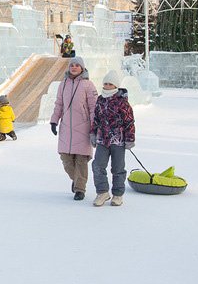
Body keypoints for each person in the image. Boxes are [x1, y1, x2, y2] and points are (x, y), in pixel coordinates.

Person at [50, 56, 98, 200]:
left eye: (77, 65)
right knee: (66, 159)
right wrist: (54, 121)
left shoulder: (88, 85)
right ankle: (77, 180)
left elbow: (94, 108)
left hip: (83, 127)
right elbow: (59, 104)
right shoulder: (63, 84)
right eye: (72, 65)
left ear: (82, 68)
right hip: (66, 127)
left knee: (81, 160)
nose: (74, 67)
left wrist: (94, 127)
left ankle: (80, 189)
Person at [90, 71, 135, 207]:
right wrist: (93, 133)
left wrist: (130, 139)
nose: (107, 86)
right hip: (102, 140)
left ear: (115, 86)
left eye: (110, 84)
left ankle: (118, 194)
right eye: (105, 84)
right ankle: (102, 192)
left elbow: (129, 121)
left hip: (118, 140)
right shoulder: (100, 99)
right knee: (97, 165)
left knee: (118, 168)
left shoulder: (122, 102)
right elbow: (96, 118)